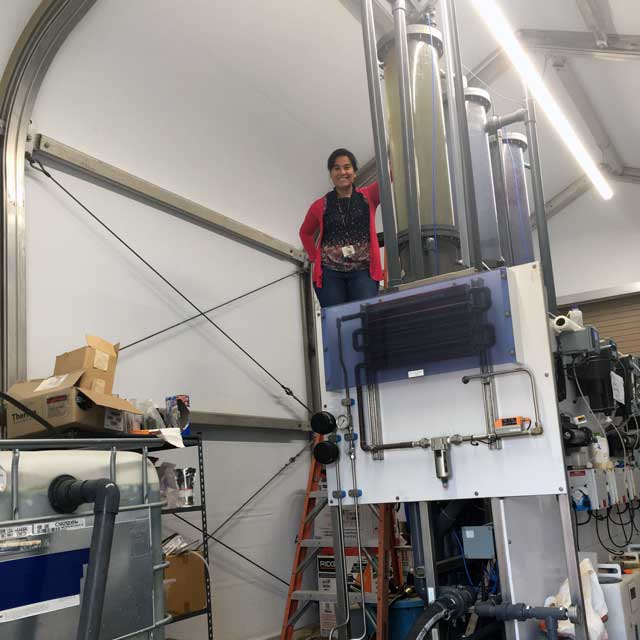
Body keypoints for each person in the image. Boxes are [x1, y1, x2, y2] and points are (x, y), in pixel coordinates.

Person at [299, 148, 383, 308]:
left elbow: (389, 175)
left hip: (363, 271)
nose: (342, 172)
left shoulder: (368, 196)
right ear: (331, 174)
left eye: (347, 167)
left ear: (355, 172)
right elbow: (305, 233)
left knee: (363, 317)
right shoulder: (320, 205)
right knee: (336, 322)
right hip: (330, 274)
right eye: (336, 168)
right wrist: (314, 258)